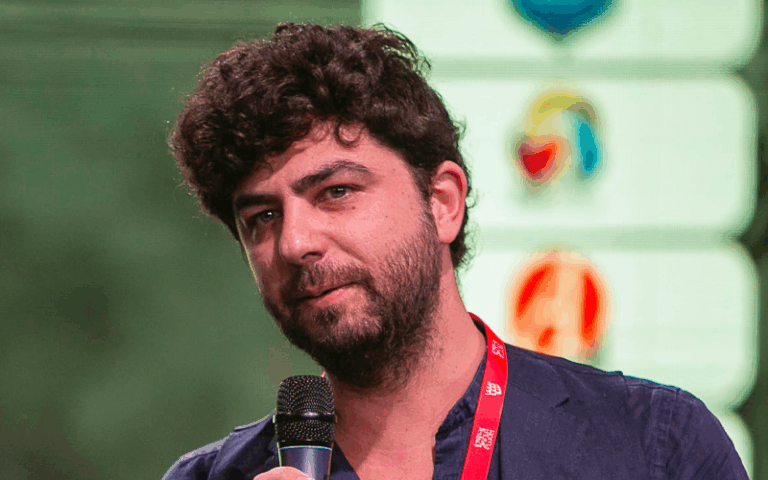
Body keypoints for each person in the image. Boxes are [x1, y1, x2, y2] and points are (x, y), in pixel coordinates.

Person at [162, 22, 749, 480]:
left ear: (442, 202)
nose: (295, 242)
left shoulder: (654, 447)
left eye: (336, 192)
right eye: (262, 218)